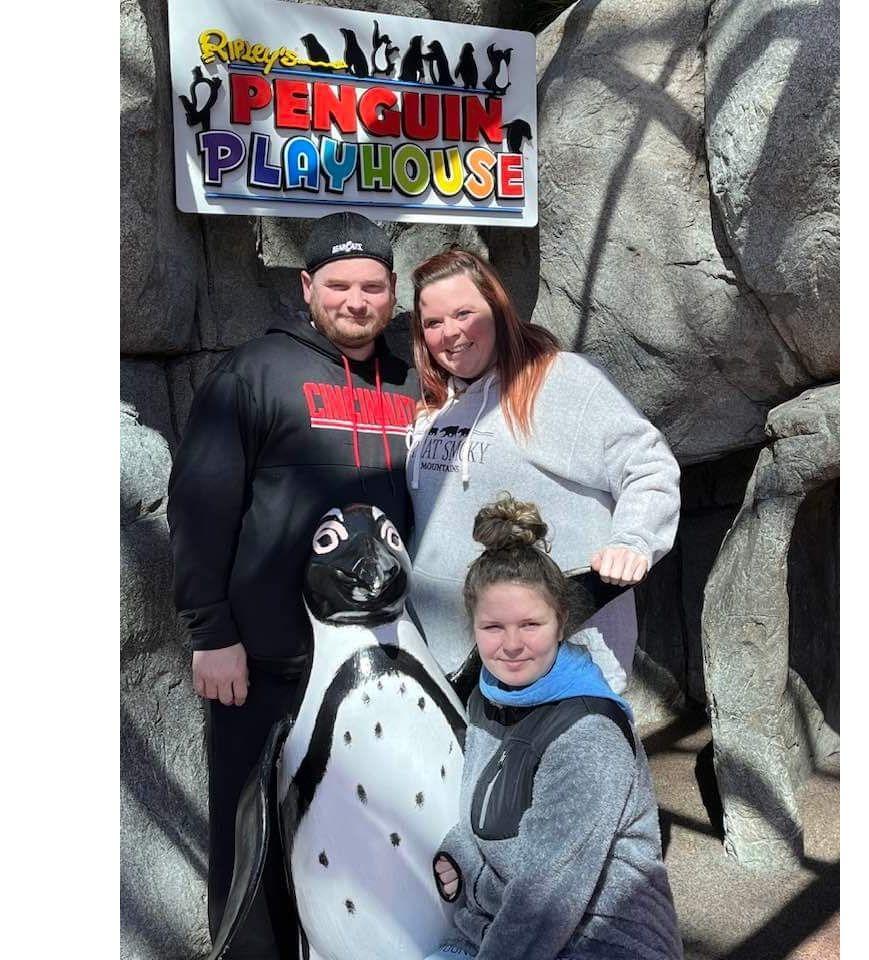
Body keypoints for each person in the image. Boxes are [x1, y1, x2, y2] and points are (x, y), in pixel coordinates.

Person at [167, 212, 418, 959]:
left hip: (376, 667)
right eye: (338, 285)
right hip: (267, 666)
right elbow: (200, 506)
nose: (355, 300)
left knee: (363, 842)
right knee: (254, 848)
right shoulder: (254, 372)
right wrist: (211, 633)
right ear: (307, 286)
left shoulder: (412, 381)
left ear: (393, 291)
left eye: (371, 285)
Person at [426, 495, 684, 960]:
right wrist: (459, 854)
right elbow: (490, 820)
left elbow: (542, 907)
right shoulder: (488, 699)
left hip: (602, 945)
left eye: (530, 624)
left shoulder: (588, 737)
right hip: (504, 929)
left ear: (561, 623)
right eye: (493, 627)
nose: (511, 645)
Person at [405, 249, 681, 677]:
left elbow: (648, 466)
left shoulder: (558, 379)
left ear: (497, 309)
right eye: (433, 323)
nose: (451, 332)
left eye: (464, 313)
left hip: (561, 655)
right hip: (450, 661)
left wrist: (634, 539)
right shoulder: (433, 407)